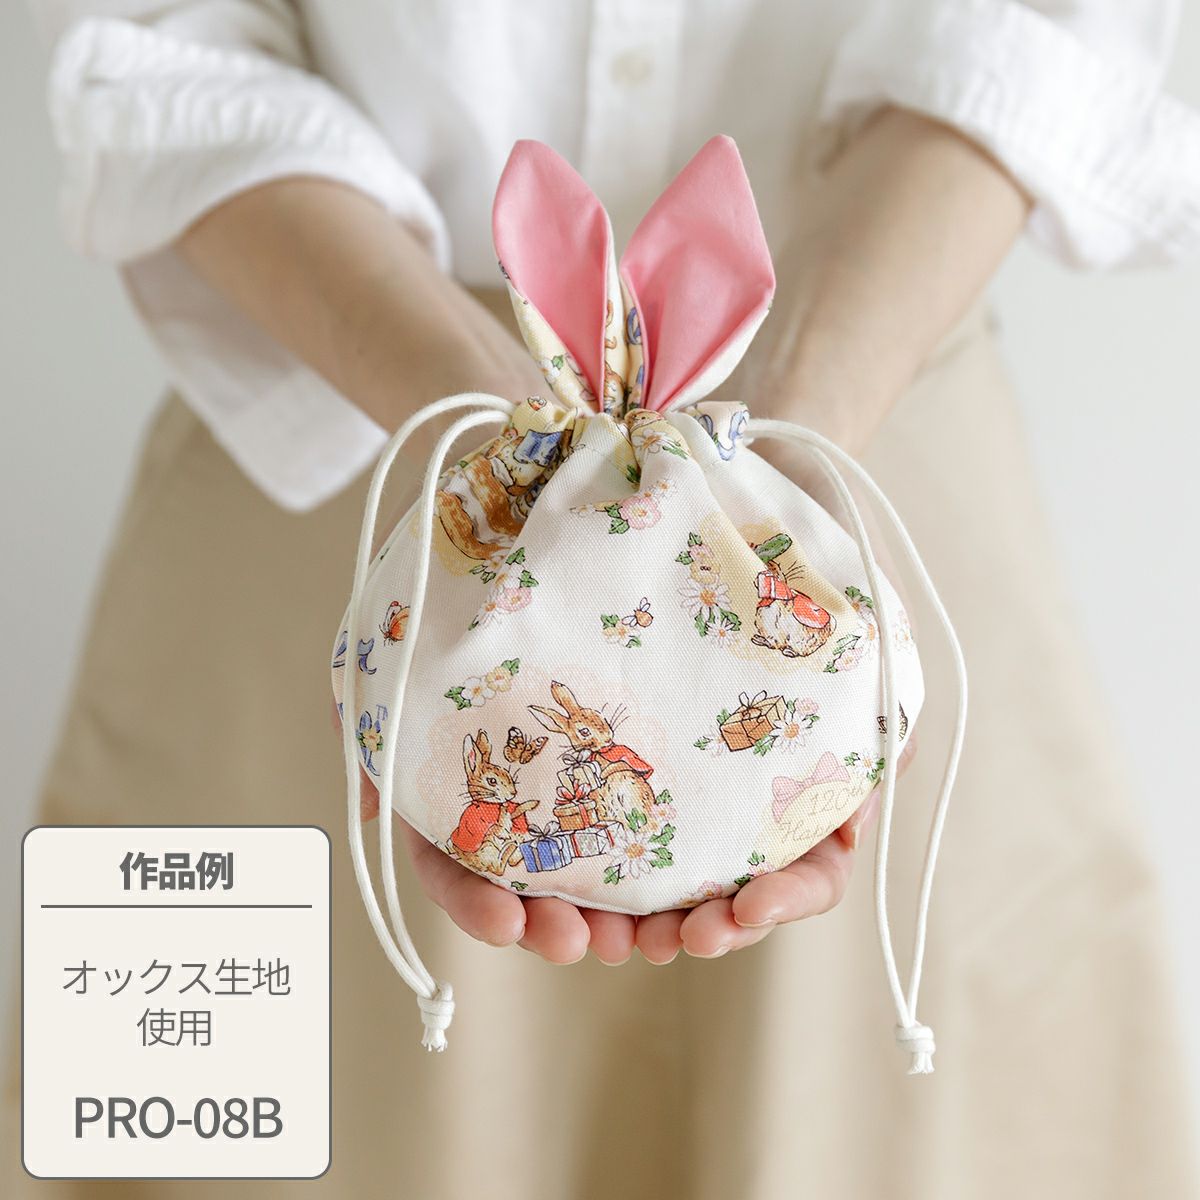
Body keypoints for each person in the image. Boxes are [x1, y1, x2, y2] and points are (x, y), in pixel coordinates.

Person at [6, 2, 1199, 1196]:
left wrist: (786, 431)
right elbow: (161, 45)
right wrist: (505, 445)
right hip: (370, 450)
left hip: (844, 443)